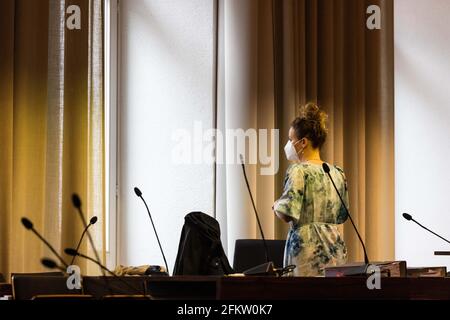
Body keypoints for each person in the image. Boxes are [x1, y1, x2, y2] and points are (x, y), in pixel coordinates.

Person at [273, 103, 348, 276]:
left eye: (291, 140)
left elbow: (286, 213)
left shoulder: (298, 170)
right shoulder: (337, 173)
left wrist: (276, 204)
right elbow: (342, 215)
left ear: (303, 142)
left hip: (307, 252)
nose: (289, 145)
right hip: (335, 249)